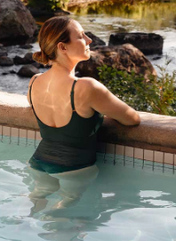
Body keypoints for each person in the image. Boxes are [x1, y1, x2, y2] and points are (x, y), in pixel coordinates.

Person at [26, 16, 140, 212]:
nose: (89, 40)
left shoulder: (34, 82)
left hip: (39, 163)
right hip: (75, 170)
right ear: (63, 47)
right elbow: (132, 119)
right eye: (81, 36)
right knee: (68, 218)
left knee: (34, 211)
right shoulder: (86, 87)